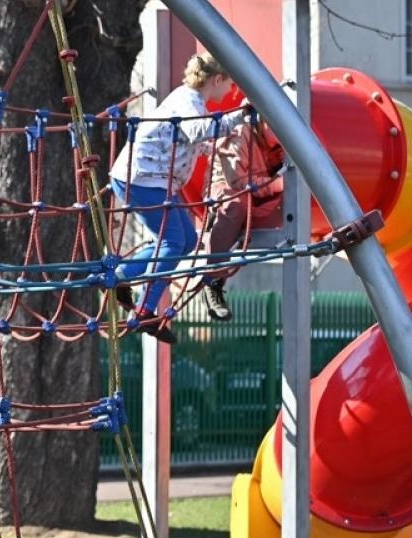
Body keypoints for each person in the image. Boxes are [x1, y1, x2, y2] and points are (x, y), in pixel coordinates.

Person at [108, 53, 246, 342]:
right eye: (230, 84)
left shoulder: (190, 102)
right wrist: (241, 115)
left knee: (187, 242)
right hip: (143, 179)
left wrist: (214, 147)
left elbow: (189, 139)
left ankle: (123, 273)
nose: (231, 90)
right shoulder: (188, 100)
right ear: (216, 79)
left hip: (149, 179)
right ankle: (145, 311)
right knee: (172, 242)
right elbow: (197, 130)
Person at [200, 117, 285, 322]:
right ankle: (213, 280)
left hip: (256, 193)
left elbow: (272, 164)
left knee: (284, 201)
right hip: (226, 191)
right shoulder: (240, 133)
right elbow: (237, 181)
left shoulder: (268, 139)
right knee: (236, 204)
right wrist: (279, 183)